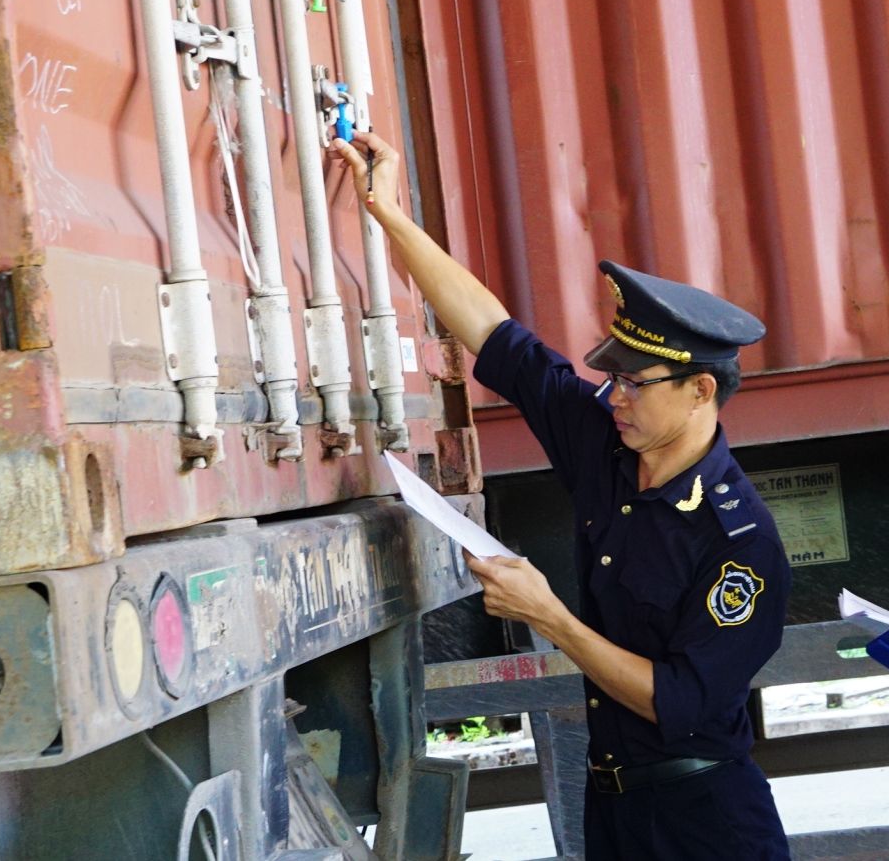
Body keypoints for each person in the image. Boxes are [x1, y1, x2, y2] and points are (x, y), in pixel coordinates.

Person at [330, 132, 793, 860]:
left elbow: (675, 702)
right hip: (611, 808)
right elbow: (494, 335)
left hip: (704, 823)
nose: (615, 395)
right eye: (612, 376)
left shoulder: (740, 542)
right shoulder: (608, 446)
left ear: (701, 389)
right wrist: (389, 214)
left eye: (636, 382)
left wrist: (548, 615)